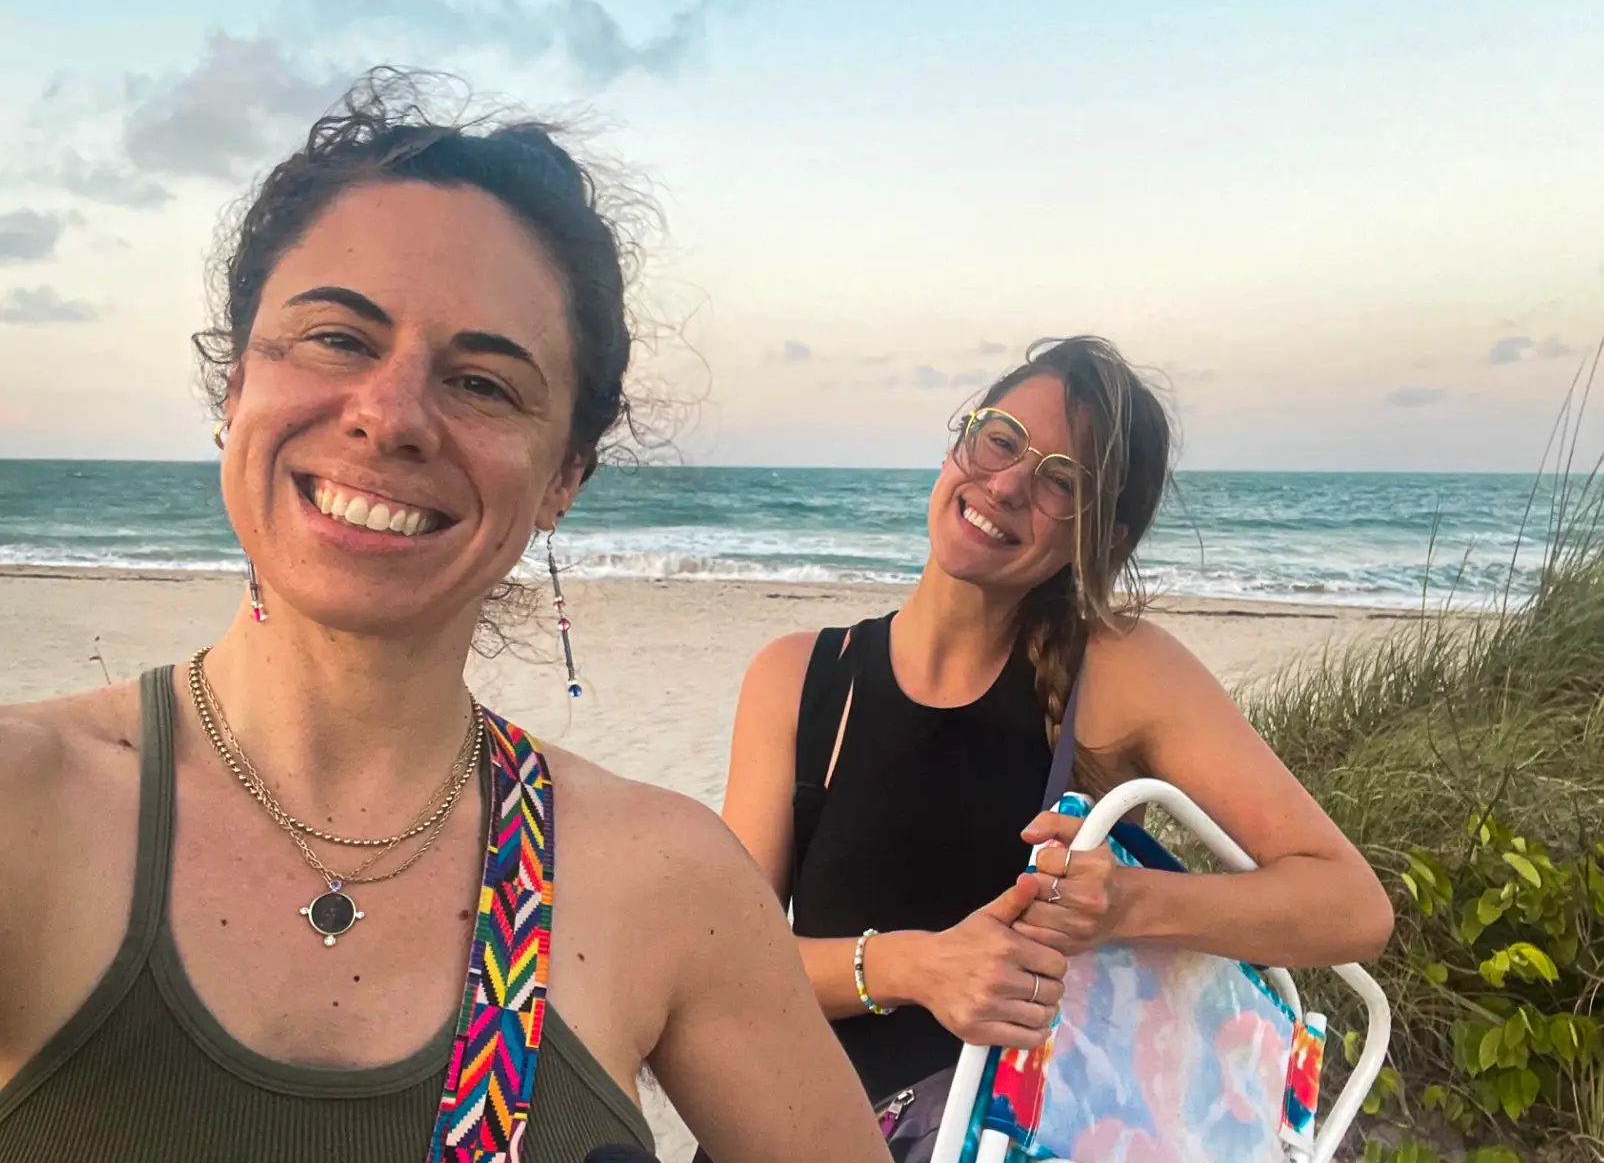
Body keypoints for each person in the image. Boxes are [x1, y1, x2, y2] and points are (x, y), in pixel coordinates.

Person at [0, 70, 889, 1163]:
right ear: (235, 384)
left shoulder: (664, 879)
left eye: (482, 382)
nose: (389, 414)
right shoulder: (25, 809)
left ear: (564, 473)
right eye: (335, 336)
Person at [720, 337, 1396, 1113]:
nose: (1006, 484)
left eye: (1061, 482)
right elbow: (727, 964)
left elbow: (1350, 908)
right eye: (1000, 439)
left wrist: (1128, 907)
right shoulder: (800, 677)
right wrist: (916, 968)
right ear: (959, 441)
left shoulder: (1113, 672)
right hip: (784, 1130)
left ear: (1102, 536)